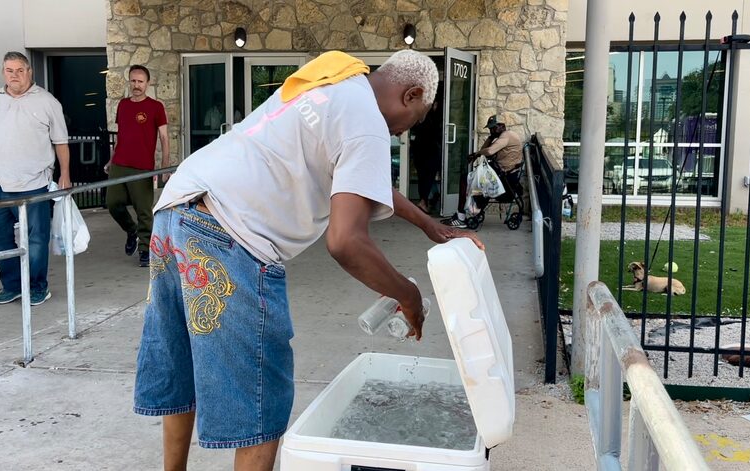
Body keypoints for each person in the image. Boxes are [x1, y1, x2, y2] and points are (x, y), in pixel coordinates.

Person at [132, 50, 483, 471]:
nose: (408, 131)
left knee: (183, 359)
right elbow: (346, 242)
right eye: (419, 118)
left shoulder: (334, 82)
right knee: (262, 395)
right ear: (413, 94)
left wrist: (428, 224)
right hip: (230, 233)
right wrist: (408, 295)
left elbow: (362, 180)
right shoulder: (368, 126)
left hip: (176, 210)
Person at [0, 51, 71, 305]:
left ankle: (38, 286)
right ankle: (13, 285)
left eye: (19, 70)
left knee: (37, 240)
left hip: (34, 184)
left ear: (29, 72)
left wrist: (65, 176)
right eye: (9, 71)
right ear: (3, 72)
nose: (14, 75)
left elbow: (61, 142)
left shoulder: (47, 102)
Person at [104, 65, 170, 267]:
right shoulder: (123, 105)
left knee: (143, 210)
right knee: (113, 203)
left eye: (140, 81)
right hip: (119, 163)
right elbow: (120, 136)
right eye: (133, 81)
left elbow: (164, 137)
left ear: (147, 83)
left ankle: (144, 250)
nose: (136, 85)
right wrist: (111, 159)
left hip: (142, 166)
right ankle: (131, 230)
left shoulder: (156, 107)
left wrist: (164, 165)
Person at [442, 115, 525, 228]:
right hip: (502, 177)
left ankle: (461, 218)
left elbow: (490, 151)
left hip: (504, 181)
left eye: (493, 128)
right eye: (490, 128)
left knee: (464, 180)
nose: (491, 130)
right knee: (470, 180)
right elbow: (484, 148)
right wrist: (491, 137)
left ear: (502, 126)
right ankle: (469, 211)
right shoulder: (504, 135)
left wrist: (478, 154)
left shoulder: (506, 136)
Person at [411, 96, 442, 214]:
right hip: (430, 152)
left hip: (420, 152)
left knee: (423, 178)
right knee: (429, 177)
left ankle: (425, 200)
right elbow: (435, 135)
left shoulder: (420, 117)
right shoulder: (433, 119)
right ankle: (424, 201)